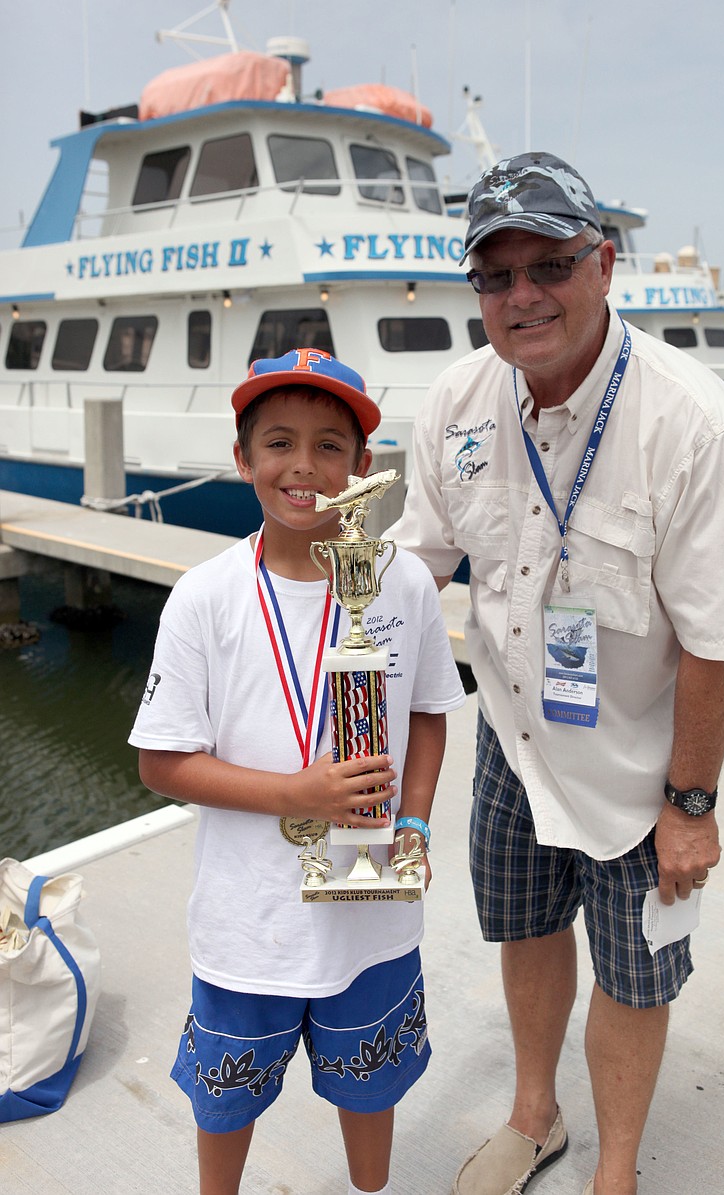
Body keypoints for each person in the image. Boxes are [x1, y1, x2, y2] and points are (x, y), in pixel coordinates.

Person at [386, 152, 724, 1195]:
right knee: (523, 927)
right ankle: (534, 1115)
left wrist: (691, 803)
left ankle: (619, 1171)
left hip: (642, 767)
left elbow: (714, 641)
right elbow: (416, 575)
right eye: (495, 275)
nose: (522, 296)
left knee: (635, 977)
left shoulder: (692, 424)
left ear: (603, 265)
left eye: (548, 264)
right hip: (512, 737)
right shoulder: (457, 399)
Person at [129, 348, 466, 1195]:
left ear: (364, 469)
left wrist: (415, 821)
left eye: (329, 445)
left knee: (372, 1083)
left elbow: (428, 712)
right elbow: (161, 761)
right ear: (242, 459)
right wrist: (296, 794)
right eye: (278, 442)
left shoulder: (401, 585)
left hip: (372, 907)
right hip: (249, 923)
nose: (304, 466)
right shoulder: (205, 596)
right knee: (226, 1107)